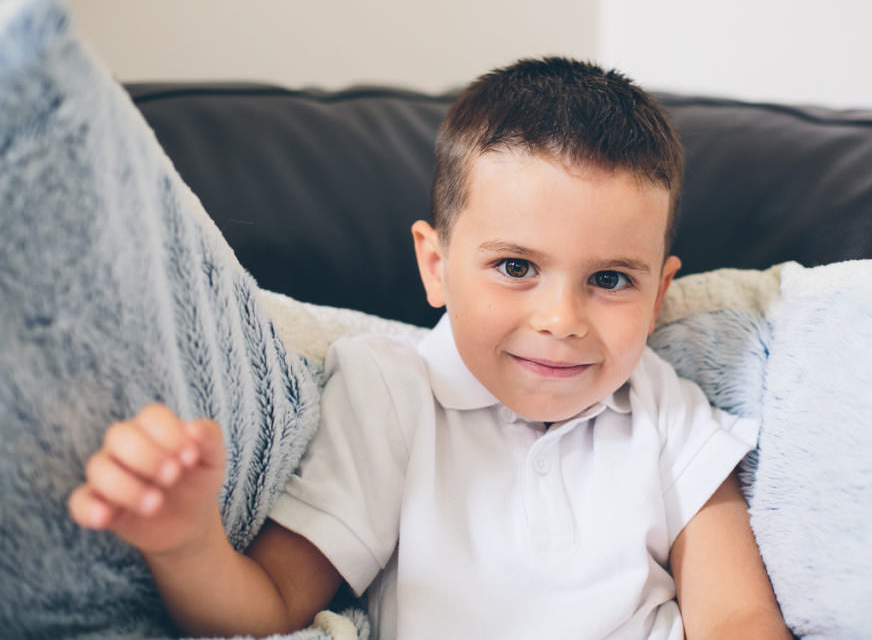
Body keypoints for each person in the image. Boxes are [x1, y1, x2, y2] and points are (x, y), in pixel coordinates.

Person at [68, 57, 788, 639]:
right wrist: (184, 541)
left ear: (659, 295)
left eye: (608, 279)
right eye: (516, 267)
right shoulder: (389, 392)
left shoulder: (664, 406)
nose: (561, 318)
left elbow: (737, 615)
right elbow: (270, 603)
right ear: (436, 265)